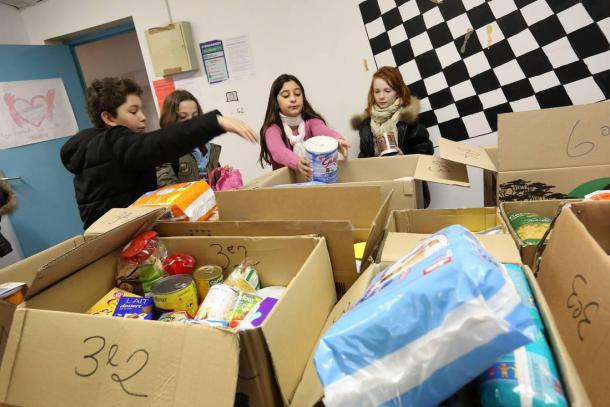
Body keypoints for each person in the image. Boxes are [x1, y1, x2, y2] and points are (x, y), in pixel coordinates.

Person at [61, 77, 257, 229]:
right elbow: (157, 144)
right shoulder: (113, 142)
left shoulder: (97, 146)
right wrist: (216, 122)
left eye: (141, 110)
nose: (143, 117)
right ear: (109, 117)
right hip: (115, 241)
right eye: (133, 111)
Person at [351, 66, 433, 206]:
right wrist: (373, 159)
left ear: (398, 92)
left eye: (387, 91)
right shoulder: (366, 125)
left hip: (407, 192)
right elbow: (362, 160)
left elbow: (427, 154)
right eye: (377, 91)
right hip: (378, 192)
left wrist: (404, 158)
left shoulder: (407, 119)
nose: (381, 96)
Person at [258, 74, 350, 179]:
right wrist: (297, 162)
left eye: (297, 94)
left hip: (315, 183)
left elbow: (323, 131)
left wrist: (337, 140)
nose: (293, 99)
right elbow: (277, 151)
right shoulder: (272, 129)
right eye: (286, 96)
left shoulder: (311, 121)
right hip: (285, 188)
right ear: (276, 101)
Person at [155, 90, 222, 187]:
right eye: (183, 116)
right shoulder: (165, 151)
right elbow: (168, 192)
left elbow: (214, 185)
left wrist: (222, 177)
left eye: (195, 115)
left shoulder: (206, 148)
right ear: (170, 119)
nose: (191, 121)